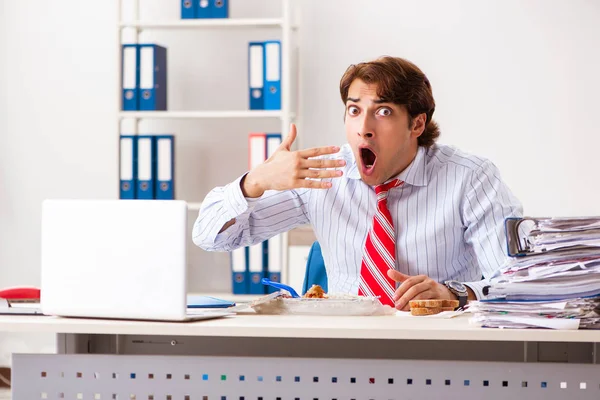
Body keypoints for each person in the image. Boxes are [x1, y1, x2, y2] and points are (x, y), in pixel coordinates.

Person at [192, 56, 523, 310]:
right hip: (345, 352)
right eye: (354, 110)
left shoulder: (469, 178)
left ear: (417, 124)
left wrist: (455, 294)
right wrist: (256, 181)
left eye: (383, 112)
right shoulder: (323, 174)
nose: (364, 128)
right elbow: (209, 236)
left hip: (438, 344)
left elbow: (520, 280)